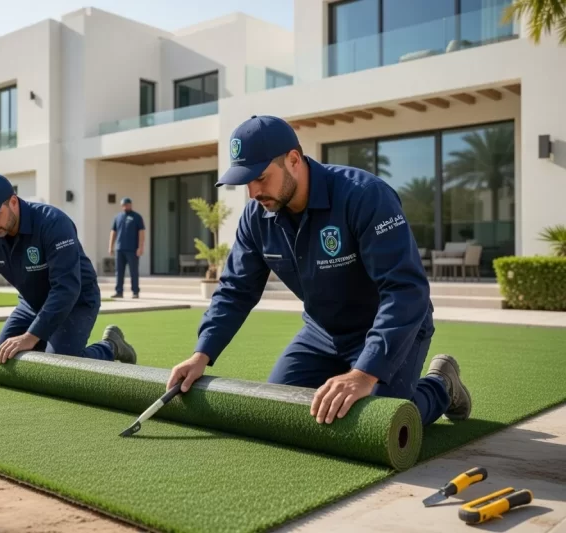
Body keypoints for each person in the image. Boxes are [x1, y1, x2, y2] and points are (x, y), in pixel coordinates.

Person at [166, 115, 472, 427]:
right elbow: (236, 290)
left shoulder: (365, 196)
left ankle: (440, 386)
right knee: (280, 411)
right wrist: (201, 355)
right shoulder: (257, 217)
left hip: (394, 327)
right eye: (246, 182)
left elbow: (405, 290)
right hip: (323, 333)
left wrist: (364, 374)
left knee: (375, 421)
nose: (253, 192)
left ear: (294, 159)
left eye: (261, 177)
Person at [0, 173, 138, 365]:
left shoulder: (53, 223)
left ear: (13, 202)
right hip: (31, 304)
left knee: (57, 366)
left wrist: (31, 336)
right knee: (1, 360)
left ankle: (111, 346)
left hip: (76, 300)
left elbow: (66, 288)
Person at [108, 197, 145, 299]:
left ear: (130, 205)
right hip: (120, 249)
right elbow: (113, 232)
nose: (125, 207)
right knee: (119, 271)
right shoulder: (118, 217)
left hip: (132, 249)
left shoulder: (137, 217)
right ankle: (119, 291)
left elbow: (141, 232)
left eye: (127, 205)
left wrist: (140, 247)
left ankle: (135, 292)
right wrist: (111, 246)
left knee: (134, 271)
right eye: (123, 205)